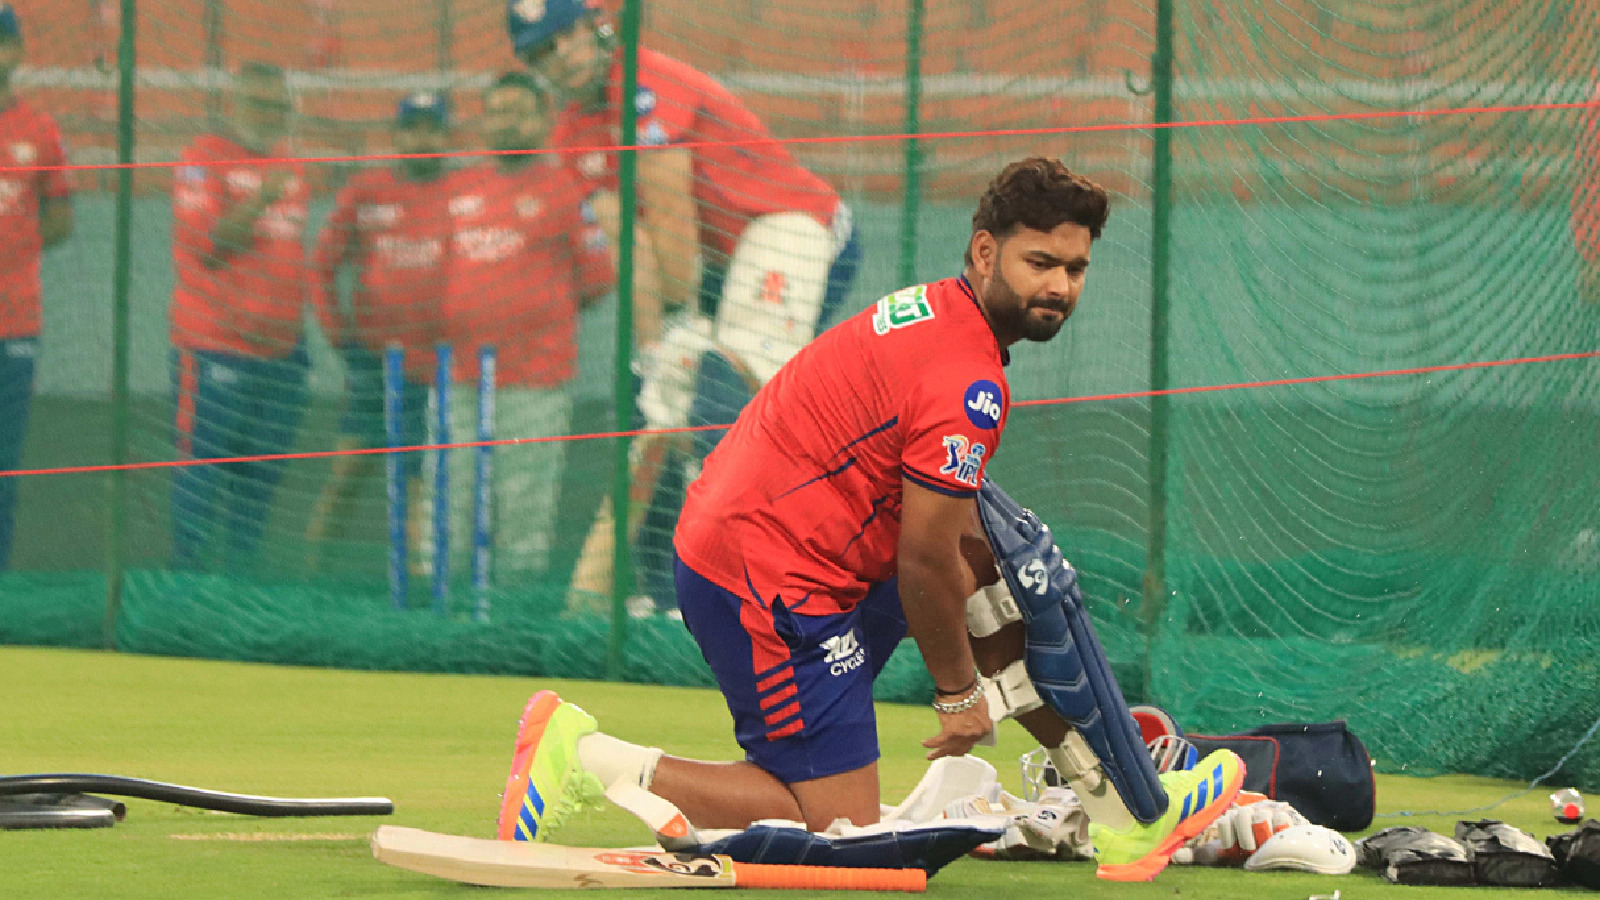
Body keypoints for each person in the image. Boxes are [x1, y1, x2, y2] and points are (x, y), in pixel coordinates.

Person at [496, 158, 1244, 882]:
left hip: (782, 548)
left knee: (1004, 568)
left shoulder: (945, 314)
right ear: (985, 251)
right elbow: (921, 560)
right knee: (839, 828)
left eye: (1074, 270)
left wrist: (984, 629)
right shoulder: (968, 382)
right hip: (766, 581)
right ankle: (583, 756)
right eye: (1040, 262)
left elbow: (945, 545)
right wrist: (959, 695)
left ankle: (1118, 803)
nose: (1057, 286)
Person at [502, 0, 863, 609]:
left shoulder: (645, 81)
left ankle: (764, 593)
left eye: (562, 38)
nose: (557, 58)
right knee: (661, 404)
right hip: (718, 268)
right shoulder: (571, 134)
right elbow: (632, 249)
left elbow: (671, 217)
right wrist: (655, 351)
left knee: (722, 391)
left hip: (791, 226)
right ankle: (663, 601)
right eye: (540, 52)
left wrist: (681, 325)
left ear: (594, 25)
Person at [433, 71, 634, 583]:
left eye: (519, 111)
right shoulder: (456, 187)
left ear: (544, 119)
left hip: (536, 382)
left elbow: (597, 279)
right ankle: (443, 617)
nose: (507, 122)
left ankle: (510, 622)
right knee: (451, 500)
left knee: (525, 508)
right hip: (456, 378)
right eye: (497, 111)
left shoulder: (566, 189)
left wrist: (536, 314)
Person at [305, 91, 455, 572]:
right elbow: (322, 265)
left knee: (420, 487)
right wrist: (339, 337)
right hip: (373, 367)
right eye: (413, 128)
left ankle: (413, 602)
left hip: (440, 370)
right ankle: (310, 580)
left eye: (432, 128)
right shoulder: (365, 192)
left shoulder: (466, 192)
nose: (422, 138)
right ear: (397, 136)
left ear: (448, 136)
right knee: (345, 476)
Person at [169, 62, 310, 568]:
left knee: (260, 479)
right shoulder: (201, 159)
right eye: (260, 104)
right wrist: (261, 198)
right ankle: (187, 584)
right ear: (233, 105)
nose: (272, 116)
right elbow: (209, 244)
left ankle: (239, 585)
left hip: (281, 352)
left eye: (280, 107)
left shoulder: (291, 166)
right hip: (213, 346)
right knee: (202, 469)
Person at [0, 3, 73, 568]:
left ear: (17, 52)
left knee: (4, 464)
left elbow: (61, 218)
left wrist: (13, 250)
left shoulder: (40, 129)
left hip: (15, 323)